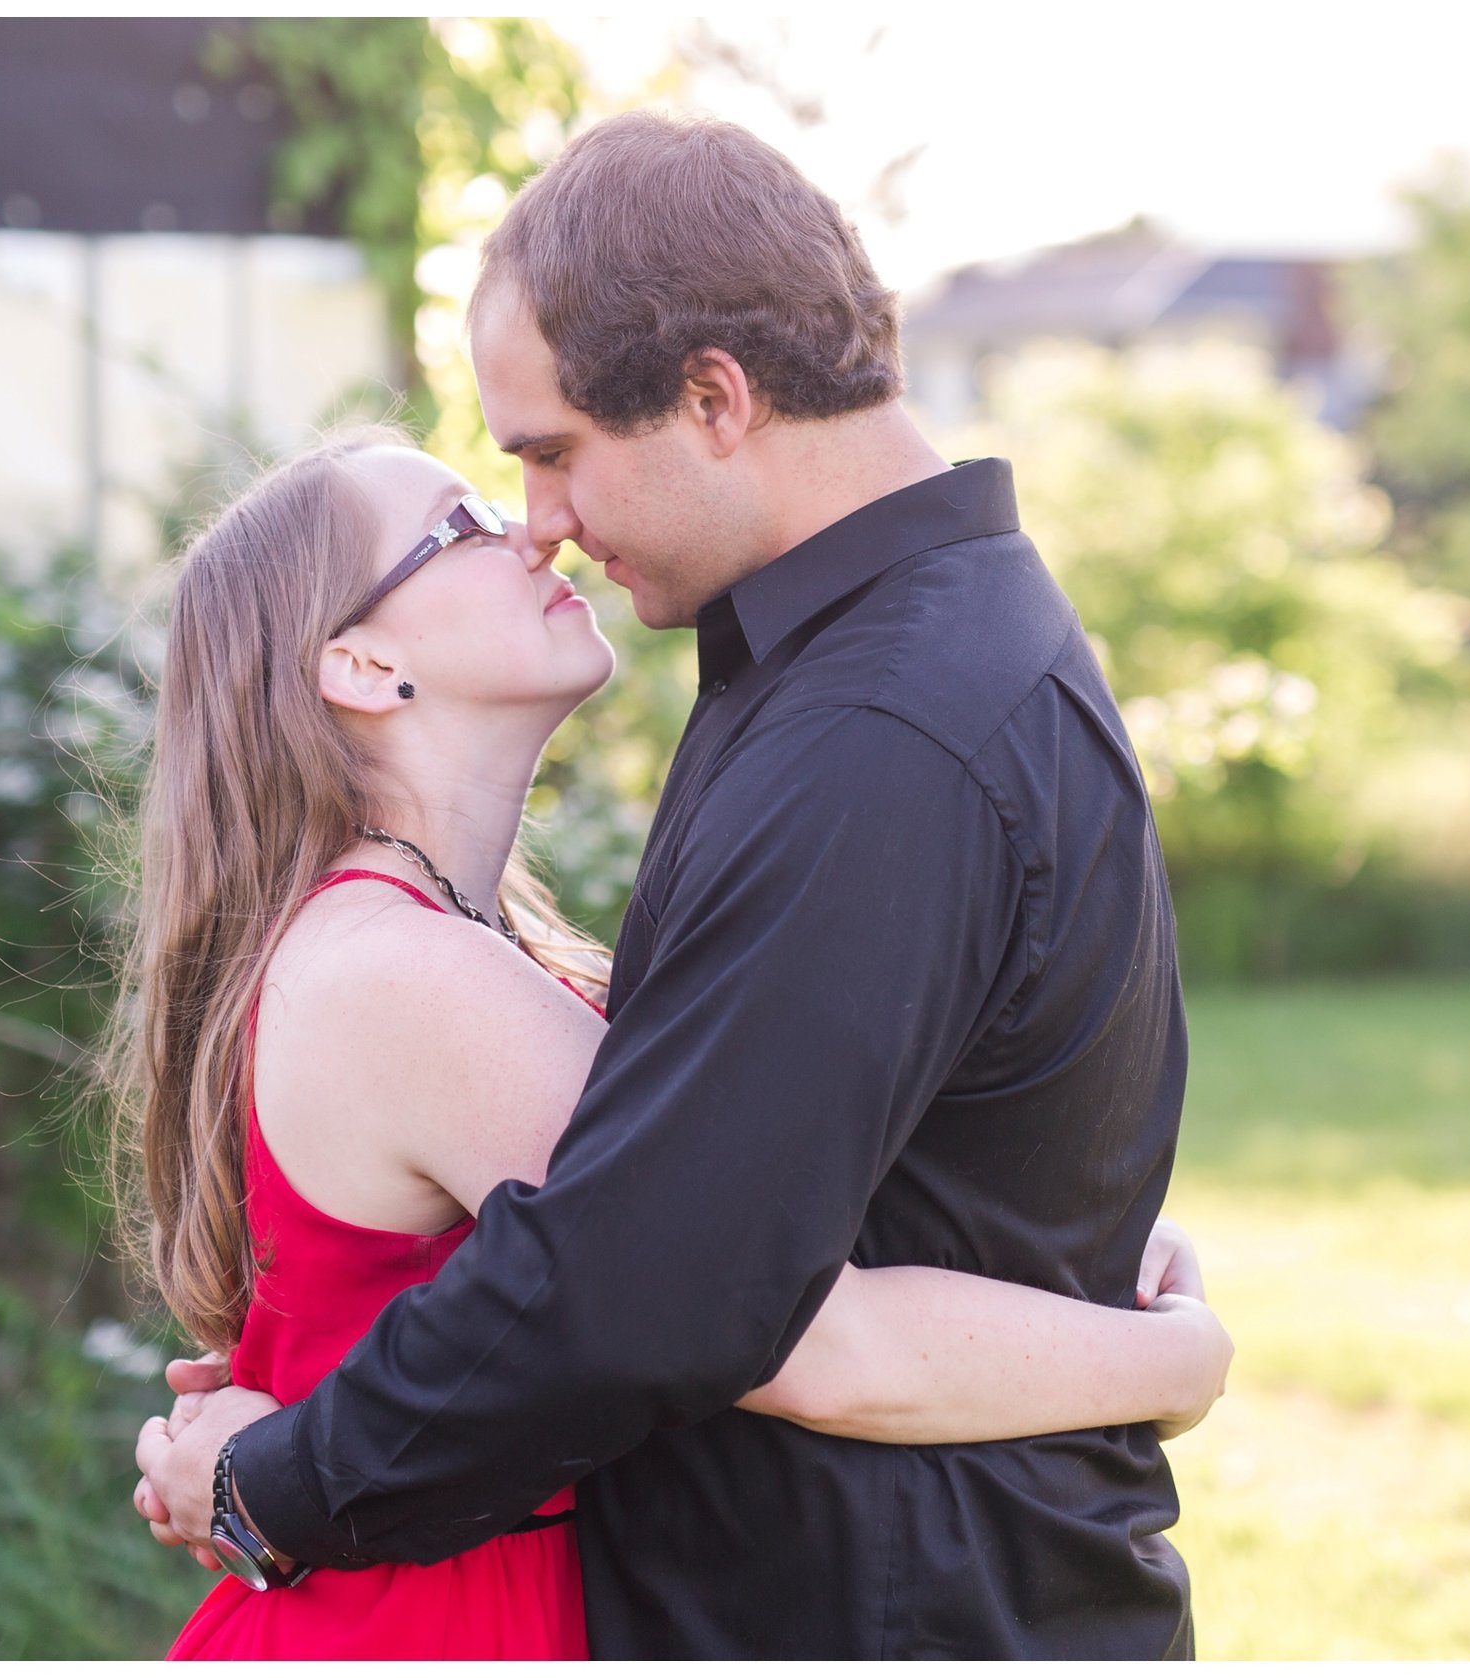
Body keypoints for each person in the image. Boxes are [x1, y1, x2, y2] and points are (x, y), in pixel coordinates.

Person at [138, 110, 1205, 1659]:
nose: (544, 528)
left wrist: (274, 1469)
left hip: (901, 1606)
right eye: (485, 502)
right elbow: (703, 1267)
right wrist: (1156, 1346)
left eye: (551, 457)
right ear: (355, 662)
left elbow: (667, 1279)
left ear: (714, 398)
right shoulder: (832, 679)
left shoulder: (879, 731)